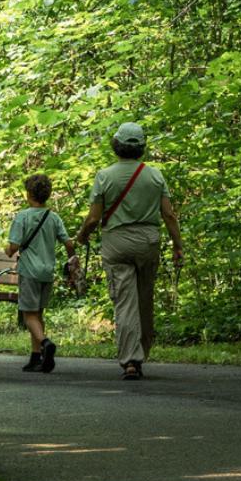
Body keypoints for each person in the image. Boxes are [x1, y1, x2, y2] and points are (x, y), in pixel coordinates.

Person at [75, 122, 182, 381]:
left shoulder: (105, 176)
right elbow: (168, 214)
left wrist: (82, 236)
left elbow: (93, 219)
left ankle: (130, 360)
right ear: (141, 147)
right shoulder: (155, 175)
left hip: (117, 241)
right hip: (148, 240)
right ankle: (142, 351)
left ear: (117, 146)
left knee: (125, 302)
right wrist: (178, 246)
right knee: (145, 299)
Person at [5, 173, 74, 373]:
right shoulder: (53, 217)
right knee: (38, 314)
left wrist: (8, 250)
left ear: (28, 194)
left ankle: (45, 343)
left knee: (29, 315)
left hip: (29, 271)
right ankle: (36, 357)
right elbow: (68, 243)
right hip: (47, 271)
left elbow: (14, 245)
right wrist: (72, 264)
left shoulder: (23, 217)